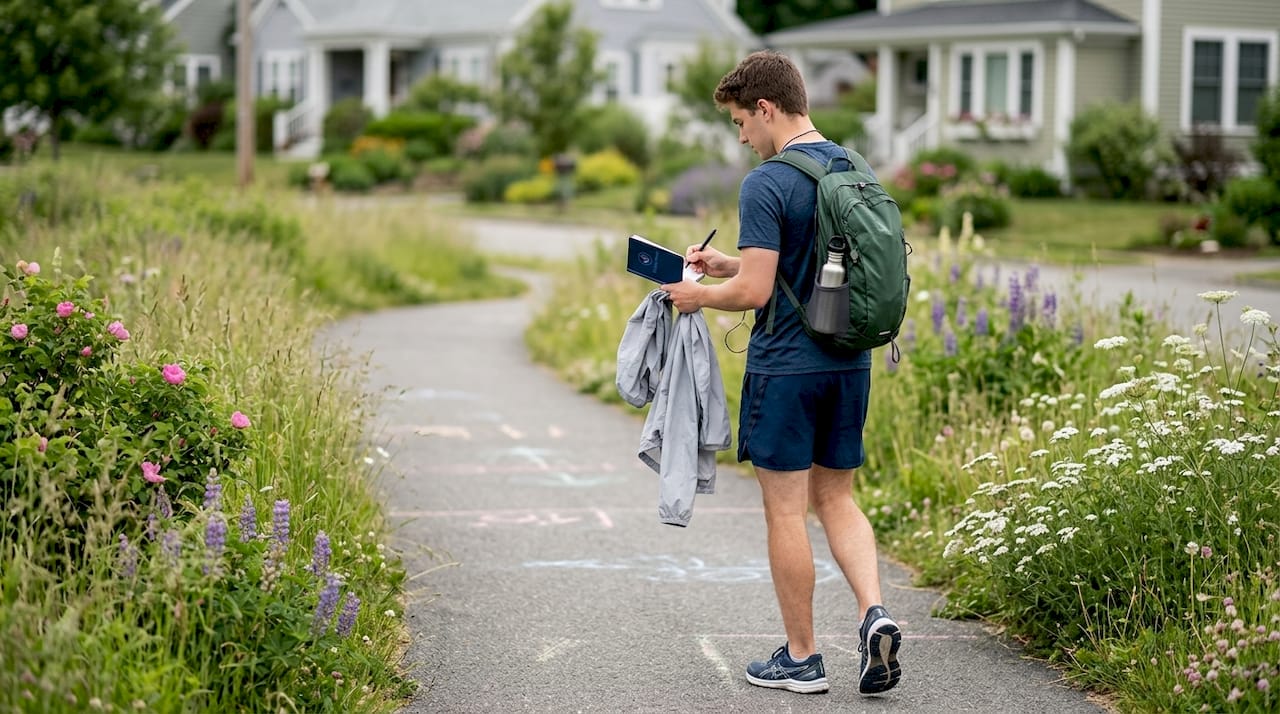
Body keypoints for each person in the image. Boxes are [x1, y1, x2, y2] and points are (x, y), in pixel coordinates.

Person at [660, 50, 902, 697]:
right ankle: (874, 612)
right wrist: (724, 264)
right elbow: (796, 268)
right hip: (848, 362)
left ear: (766, 108)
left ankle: (801, 658)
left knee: (787, 512)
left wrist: (696, 295)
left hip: (787, 370)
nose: (740, 135)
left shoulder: (766, 182)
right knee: (838, 496)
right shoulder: (852, 166)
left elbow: (761, 292)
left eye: (741, 121)